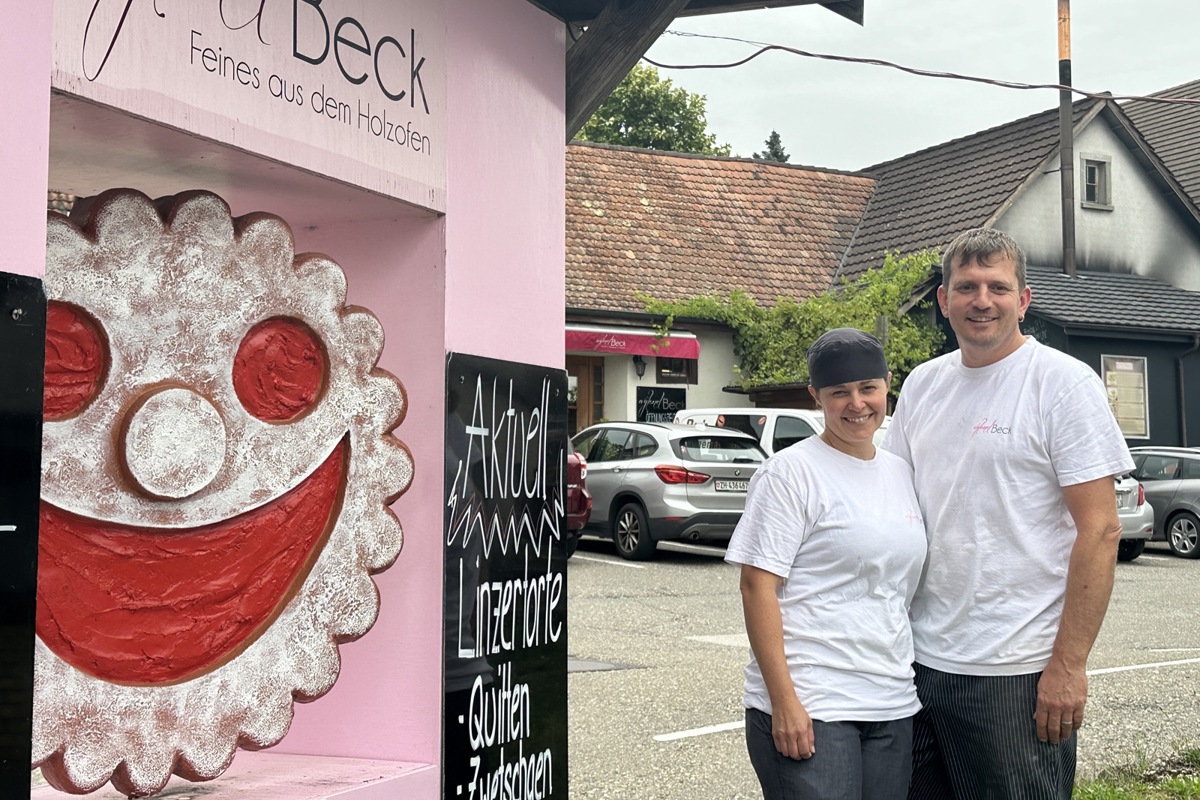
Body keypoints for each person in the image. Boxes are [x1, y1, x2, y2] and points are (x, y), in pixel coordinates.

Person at [882, 228, 1132, 799]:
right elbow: (894, 506)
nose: (981, 300)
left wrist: (1067, 666)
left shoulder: (1063, 385)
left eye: (998, 286)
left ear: (1023, 299)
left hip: (1014, 671)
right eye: (966, 287)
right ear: (943, 301)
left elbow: (1101, 529)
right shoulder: (924, 385)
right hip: (918, 660)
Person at [726, 328, 928, 800]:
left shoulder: (900, 471)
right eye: (840, 392)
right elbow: (757, 588)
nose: (857, 404)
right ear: (817, 396)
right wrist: (784, 702)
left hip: (891, 699)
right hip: (814, 701)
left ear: (887, 386)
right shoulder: (789, 474)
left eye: (868, 389)